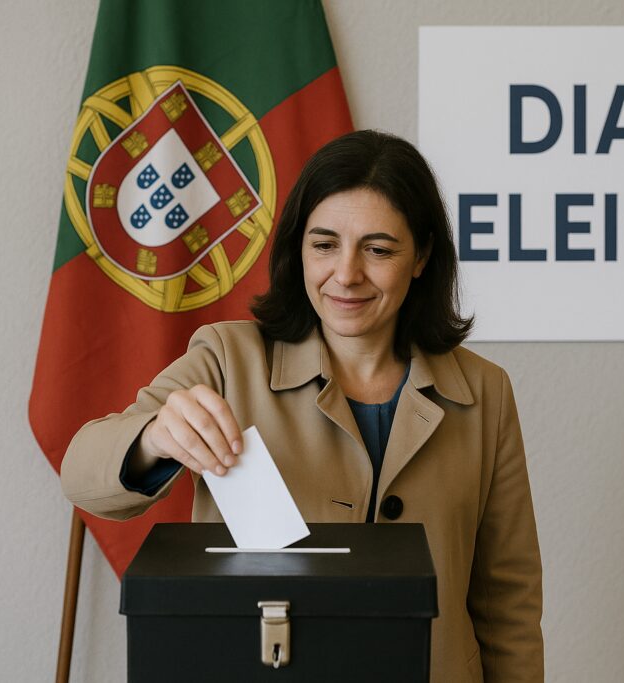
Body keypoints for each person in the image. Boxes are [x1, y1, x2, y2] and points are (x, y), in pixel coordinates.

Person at [61, 130, 543, 682]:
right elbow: (81, 473)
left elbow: (508, 604)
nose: (346, 274)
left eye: (379, 249)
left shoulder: (486, 393)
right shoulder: (226, 358)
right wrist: (152, 438)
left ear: (422, 256)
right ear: (298, 248)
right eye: (324, 244)